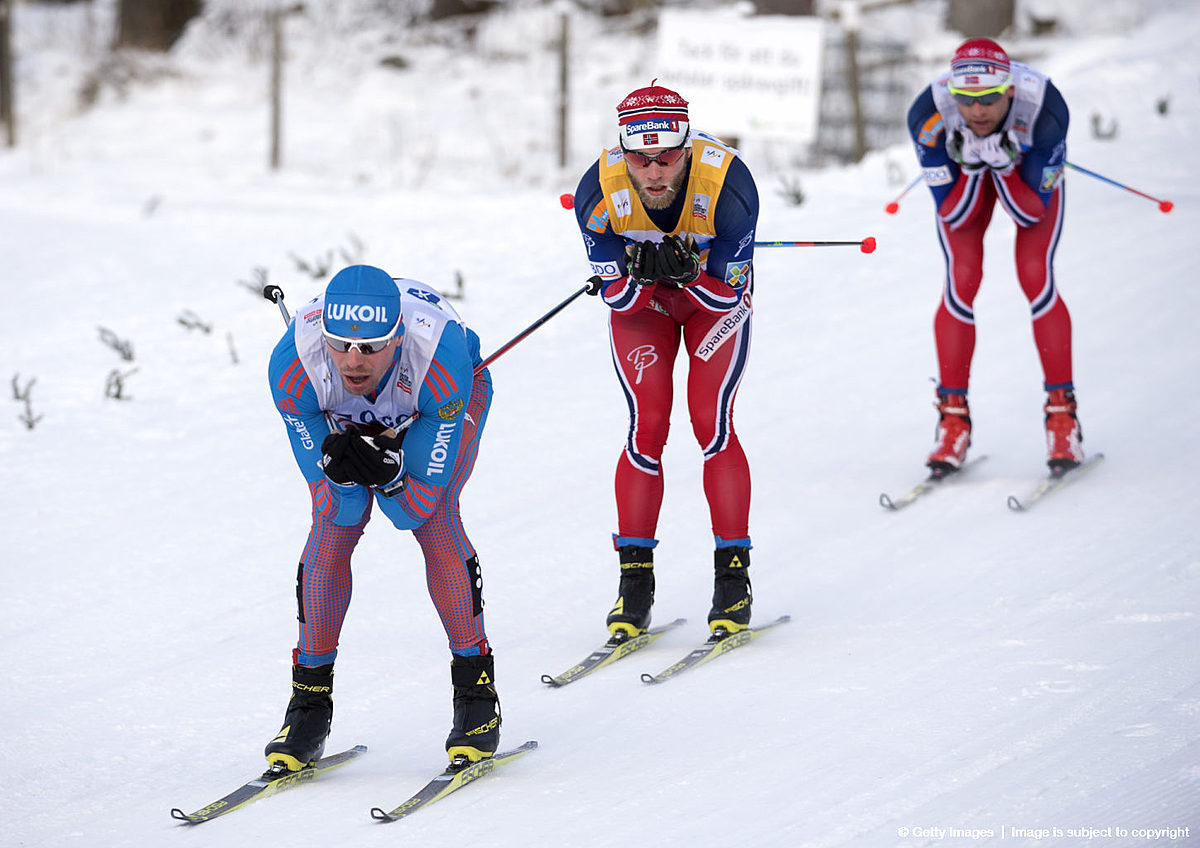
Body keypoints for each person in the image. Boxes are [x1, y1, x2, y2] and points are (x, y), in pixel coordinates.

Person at [264, 264, 499, 771]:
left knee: (433, 524)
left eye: (370, 348)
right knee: (333, 527)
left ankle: (477, 695)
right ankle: (308, 707)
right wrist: (345, 471)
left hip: (431, 406)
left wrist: (391, 475)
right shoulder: (292, 366)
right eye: (340, 345)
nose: (353, 361)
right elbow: (340, 503)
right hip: (342, 417)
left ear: (397, 339)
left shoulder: (440, 358)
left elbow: (413, 506)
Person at [570, 81, 760, 640]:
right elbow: (617, 300)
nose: (653, 173)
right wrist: (641, 276)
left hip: (710, 306)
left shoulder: (729, 185)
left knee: (712, 422)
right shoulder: (598, 191)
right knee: (646, 425)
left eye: (667, 158)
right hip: (644, 308)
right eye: (639, 159)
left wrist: (687, 273)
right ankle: (635, 584)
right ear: (622, 152)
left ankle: (733, 577)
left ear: (688, 147)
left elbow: (729, 296)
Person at [907, 38, 1083, 473]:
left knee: (1035, 274)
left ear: (1009, 91)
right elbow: (955, 214)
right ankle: (953, 422)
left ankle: (1063, 418)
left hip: (1026, 177)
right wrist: (970, 168)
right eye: (965, 100)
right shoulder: (927, 115)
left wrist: (1003, 165)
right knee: (961, 279)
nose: (977, 111)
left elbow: (1030, 213)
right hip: (965, 180)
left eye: (987, 99)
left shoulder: (1045, 108)